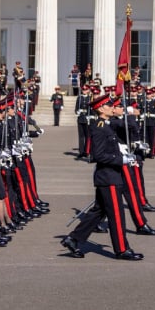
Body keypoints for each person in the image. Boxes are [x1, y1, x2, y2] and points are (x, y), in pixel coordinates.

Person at [61, 95, 144, 260]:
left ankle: (74, 239)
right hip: (108, 177)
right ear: (100, 109)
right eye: (109, 105)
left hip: (110, 176)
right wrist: (122, 159)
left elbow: (131, 126)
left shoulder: (107, 124)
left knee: (98, 212)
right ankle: (121, 249)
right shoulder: (99, 127)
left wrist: (130, 113)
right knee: (116, 215)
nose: (112, 107)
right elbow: (98, 155)